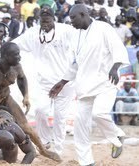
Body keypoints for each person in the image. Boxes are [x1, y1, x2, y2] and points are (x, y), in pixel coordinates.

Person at [49, 4, 130, 166]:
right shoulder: (75, 36)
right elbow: (74, 64)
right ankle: (87, 162)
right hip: (85, 87)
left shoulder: (103, 28)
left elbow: (118, 48)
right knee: (80, 127)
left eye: (73, 18)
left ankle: (117, 135)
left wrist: (115, 67)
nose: (71, 22)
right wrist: (62, 82)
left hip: (106, 82)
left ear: (83, 14)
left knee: (99, 113)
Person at [10, 6, 75, 156]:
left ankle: (58, 148)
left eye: (48, 20)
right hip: (44, 83)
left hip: (65, 83)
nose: (45, 23)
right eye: (42, 20)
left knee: (60, 117)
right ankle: (45, 141)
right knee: (40, 110)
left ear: (54, 19)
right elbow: (15, 44)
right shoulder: (33, 33)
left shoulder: (66, 31)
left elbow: (82, 39)